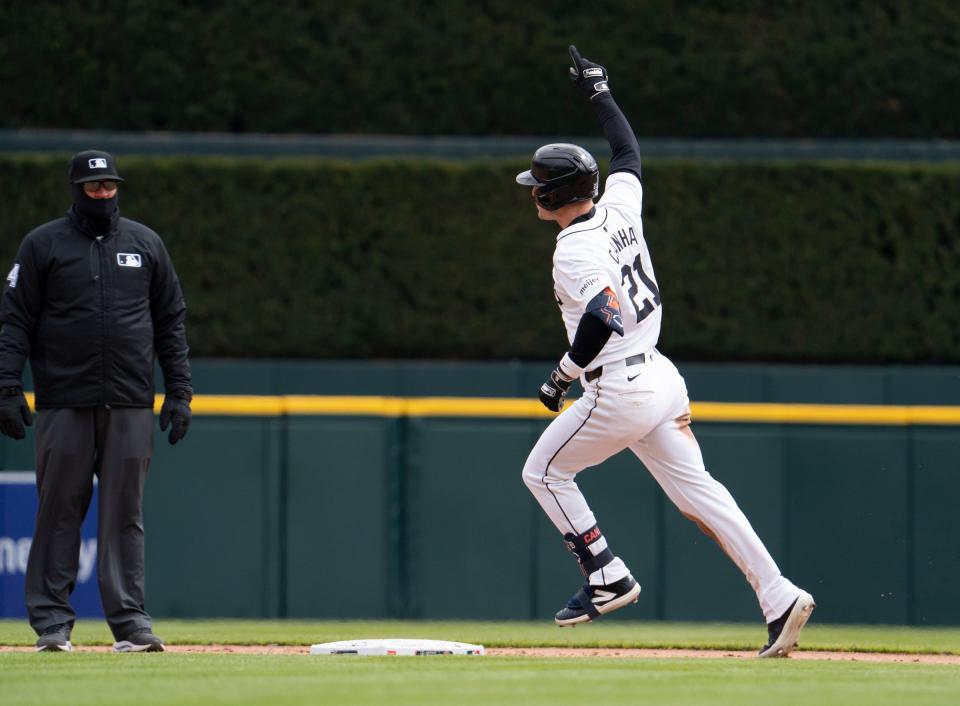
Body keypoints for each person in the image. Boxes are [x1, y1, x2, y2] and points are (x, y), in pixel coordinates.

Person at [516, 47, 815, 657]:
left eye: (535, 187)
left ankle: (606, 576)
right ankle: (779, 595)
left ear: (549, 198)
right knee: (702, 493)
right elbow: (626, 152)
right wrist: (599, 91)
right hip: (660, 376)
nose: (530, 194)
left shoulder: (571, 249)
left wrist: (561, 375)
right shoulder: (621, 206)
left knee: (544, 471)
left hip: (619, 388)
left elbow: (604, 313)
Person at [0, 150, 193, 653]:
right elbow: (16, 321)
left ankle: (130, 624)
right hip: (64, 400)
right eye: (94, 187)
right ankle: (51, 625)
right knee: (58, 510)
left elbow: (171, 321)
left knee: (124, 513)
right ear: (75, 189)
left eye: (110, 185)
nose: (104, 194)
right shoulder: (43, 245)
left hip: (130, 401)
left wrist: (178, 392)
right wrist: (5, 387)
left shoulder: (145, 244)